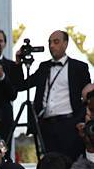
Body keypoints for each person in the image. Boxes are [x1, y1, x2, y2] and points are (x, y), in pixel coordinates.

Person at [16, 30, 91, 160]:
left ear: (65, 44)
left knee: (69, 162)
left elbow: (88, 96)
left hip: (69, 124)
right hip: (47, 125)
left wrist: (79, 120)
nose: (51, 46)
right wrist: (19, 64)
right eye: (50, 42)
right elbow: (22, 85)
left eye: (56, 42)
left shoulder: (79, 67)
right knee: (50, 165)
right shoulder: (44, 67)